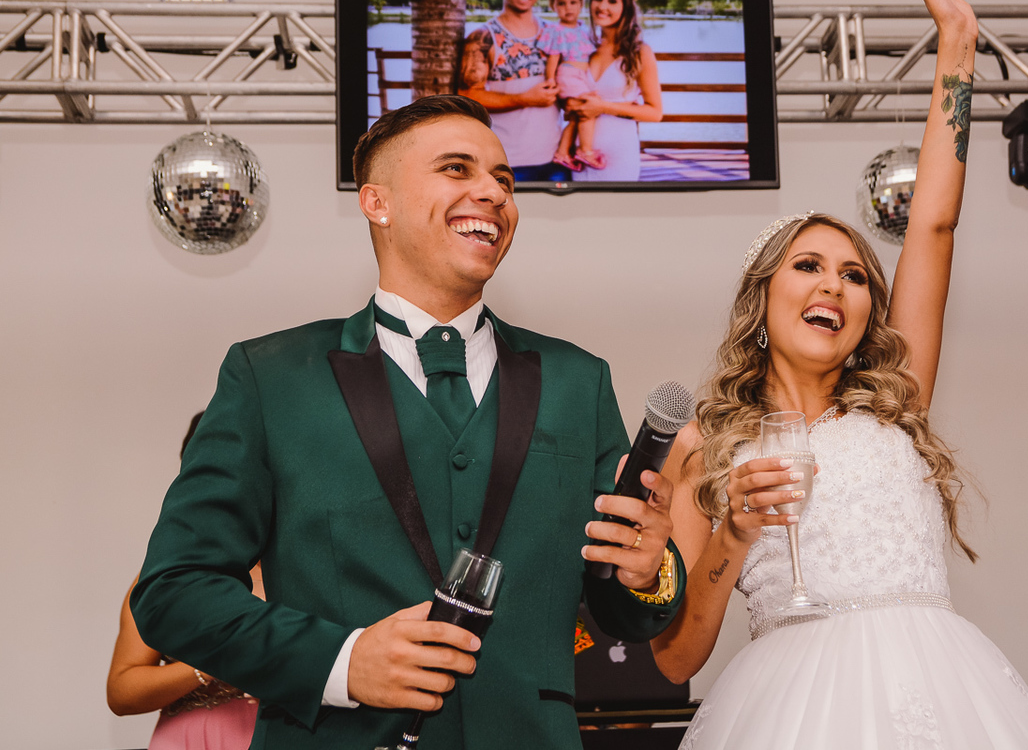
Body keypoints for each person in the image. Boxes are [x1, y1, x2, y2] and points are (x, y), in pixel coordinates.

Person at [130, 95, 686, 750]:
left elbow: (619, 611)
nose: (493, 193)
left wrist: (650, 571)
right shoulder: (269, 377)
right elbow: (172, 592)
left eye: (504, 180)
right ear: (377, 202)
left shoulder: (578, 381)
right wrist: (341, 662)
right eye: (458, 169)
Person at [651, 0, 1028, 749]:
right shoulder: (699, 449)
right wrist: (733, 534)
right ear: (764, 300)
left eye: (854, 275)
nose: (834, 287)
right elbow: (674, 659)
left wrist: (958, 49)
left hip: (943, 699)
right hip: (783, 714)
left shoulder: (898, 400)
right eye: (807, 266)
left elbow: (934, 226)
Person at [106, 412, 260, 750]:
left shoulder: (303, 565)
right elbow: (121, 691)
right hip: (189, 739)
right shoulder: (168, 573)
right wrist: (207, 667)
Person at [458, 0, 564, 181]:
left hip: (557, 160)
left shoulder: (555, 34)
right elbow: (467, 94)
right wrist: (525, 98)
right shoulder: (484, 37)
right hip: (507, 165)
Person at [567, 0, 662, 183]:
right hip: (582, 154)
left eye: (612, 1)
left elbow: (655, 112)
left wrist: (603, 107)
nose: (602, 6)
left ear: (626, 8)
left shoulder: (640, 52)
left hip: (619, 152)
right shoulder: (584, 46)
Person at [543, 0, 603, 172]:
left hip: (582, 77)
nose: (568, 7)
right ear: (553, 6)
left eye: (573, 2)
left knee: (576, 116)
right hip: (568, 74)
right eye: (561, 3)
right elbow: (553, 58)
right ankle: (585, 151)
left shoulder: (584, 29)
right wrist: (551, 79)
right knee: (588, 110)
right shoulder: (556, 30)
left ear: (581, 4)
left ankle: (562, 153)